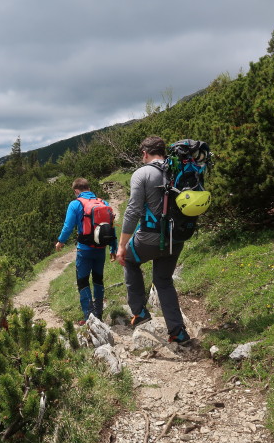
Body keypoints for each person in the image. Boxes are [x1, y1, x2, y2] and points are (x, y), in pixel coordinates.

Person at [115, 136, 190, 343]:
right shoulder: (177, 171)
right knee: (163, 281)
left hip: (149, 238)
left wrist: (122, 246)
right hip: (176, 238)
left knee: (129, 260)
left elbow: (132, 212)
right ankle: (178, 332)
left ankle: (139, 312)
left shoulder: (142, 173)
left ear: (145, 154)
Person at [56, 178, 117, 324]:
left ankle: (89, 317)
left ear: (76, 191)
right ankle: (99, 313)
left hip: (84, 250)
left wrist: (61, 241)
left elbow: (68, 226)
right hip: (100, 249)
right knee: (98, 279)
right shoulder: (104, 203)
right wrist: (113, 248)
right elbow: (111, 226)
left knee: (83, 281)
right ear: (88, 188)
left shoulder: (75, 204)